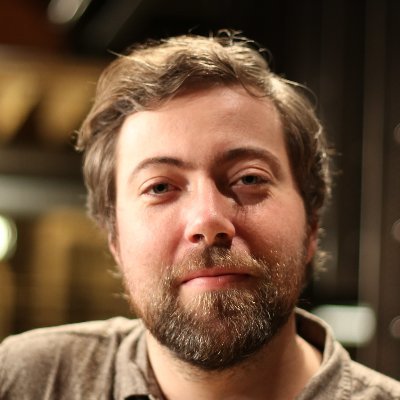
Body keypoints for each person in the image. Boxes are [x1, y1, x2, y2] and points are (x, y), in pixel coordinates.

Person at [0, 32, 399, 400]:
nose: (208, 220)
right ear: (115, 239)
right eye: (160, 187)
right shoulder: (24, 380)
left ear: (312, 224)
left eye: (249, 178)